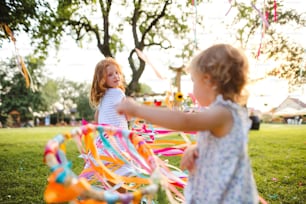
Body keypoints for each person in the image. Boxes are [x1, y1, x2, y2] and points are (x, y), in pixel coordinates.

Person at [116, 44, 259, 203]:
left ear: (207, 80)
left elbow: (186, 120)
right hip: (215, 189)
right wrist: (196, 150)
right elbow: (223, 146)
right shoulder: (224, 113)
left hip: (227, 196)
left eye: (193, 81)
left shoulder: (224, 113)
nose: (193, 88)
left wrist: (137, 110)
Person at [89, 57, 128, 129]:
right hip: (119, 134)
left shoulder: (102, 95)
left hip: (105, 135)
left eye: (117, 72)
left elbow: (97, 116)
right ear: (102, 80)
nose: (116, 76)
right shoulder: (119, 93)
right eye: (110, 75)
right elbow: (127, 115)